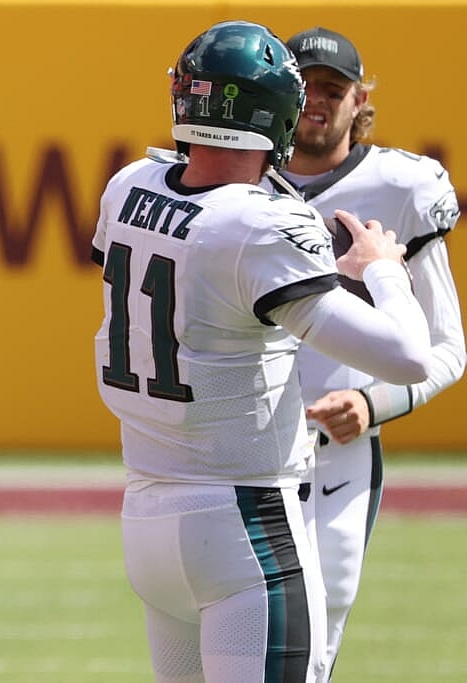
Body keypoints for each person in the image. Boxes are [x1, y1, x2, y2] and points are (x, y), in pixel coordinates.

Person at [92, 20, 433, 683]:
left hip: (147, 511)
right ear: (273, 114)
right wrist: (384, 268)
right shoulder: (259, 225)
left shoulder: (129, 186)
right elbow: (409, 357)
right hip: (243, 523)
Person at [264, 27, 466, 677]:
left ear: (360, 99)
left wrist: (371, 402)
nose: (318, 102)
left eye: (334, 88)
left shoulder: (401, 187)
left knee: (309, 652)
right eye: (306, 88)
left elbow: (446, 349)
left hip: (335, 459)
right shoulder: (237, 182)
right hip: (239, 452)